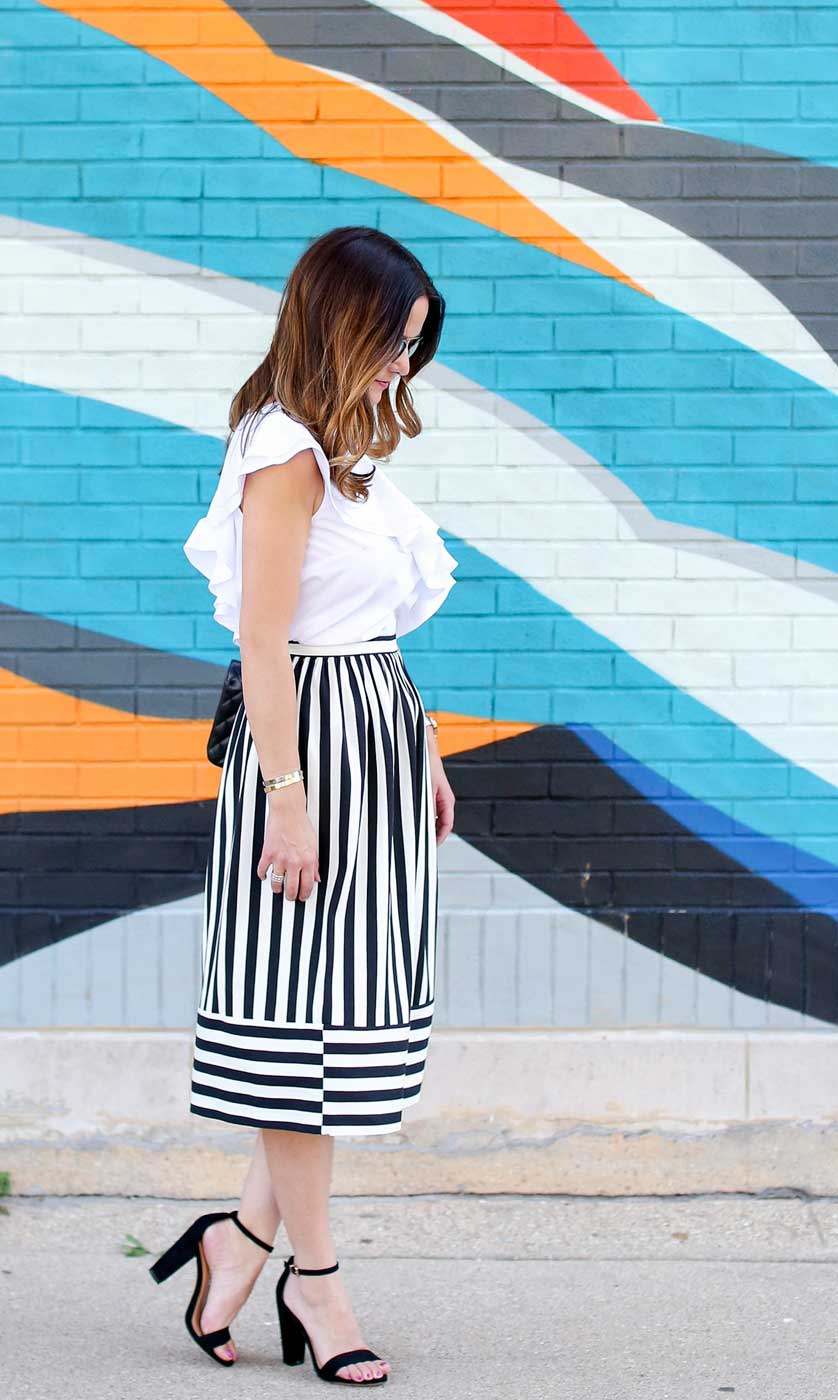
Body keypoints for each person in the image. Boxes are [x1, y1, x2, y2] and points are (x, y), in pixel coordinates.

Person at [148, 227, 459, 1387]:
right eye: (392, 341)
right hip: (308, 752)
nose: (400, 367)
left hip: (371, 732)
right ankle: (315, 1281)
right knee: (299, 1033)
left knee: (341, 1022)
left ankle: (236, 1240)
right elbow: (266, 640)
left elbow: (363, 626)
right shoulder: (283, 450)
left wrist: (416, 741)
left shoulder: (350, 453)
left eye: (414, 348)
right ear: (342, 321)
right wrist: (287, 794)